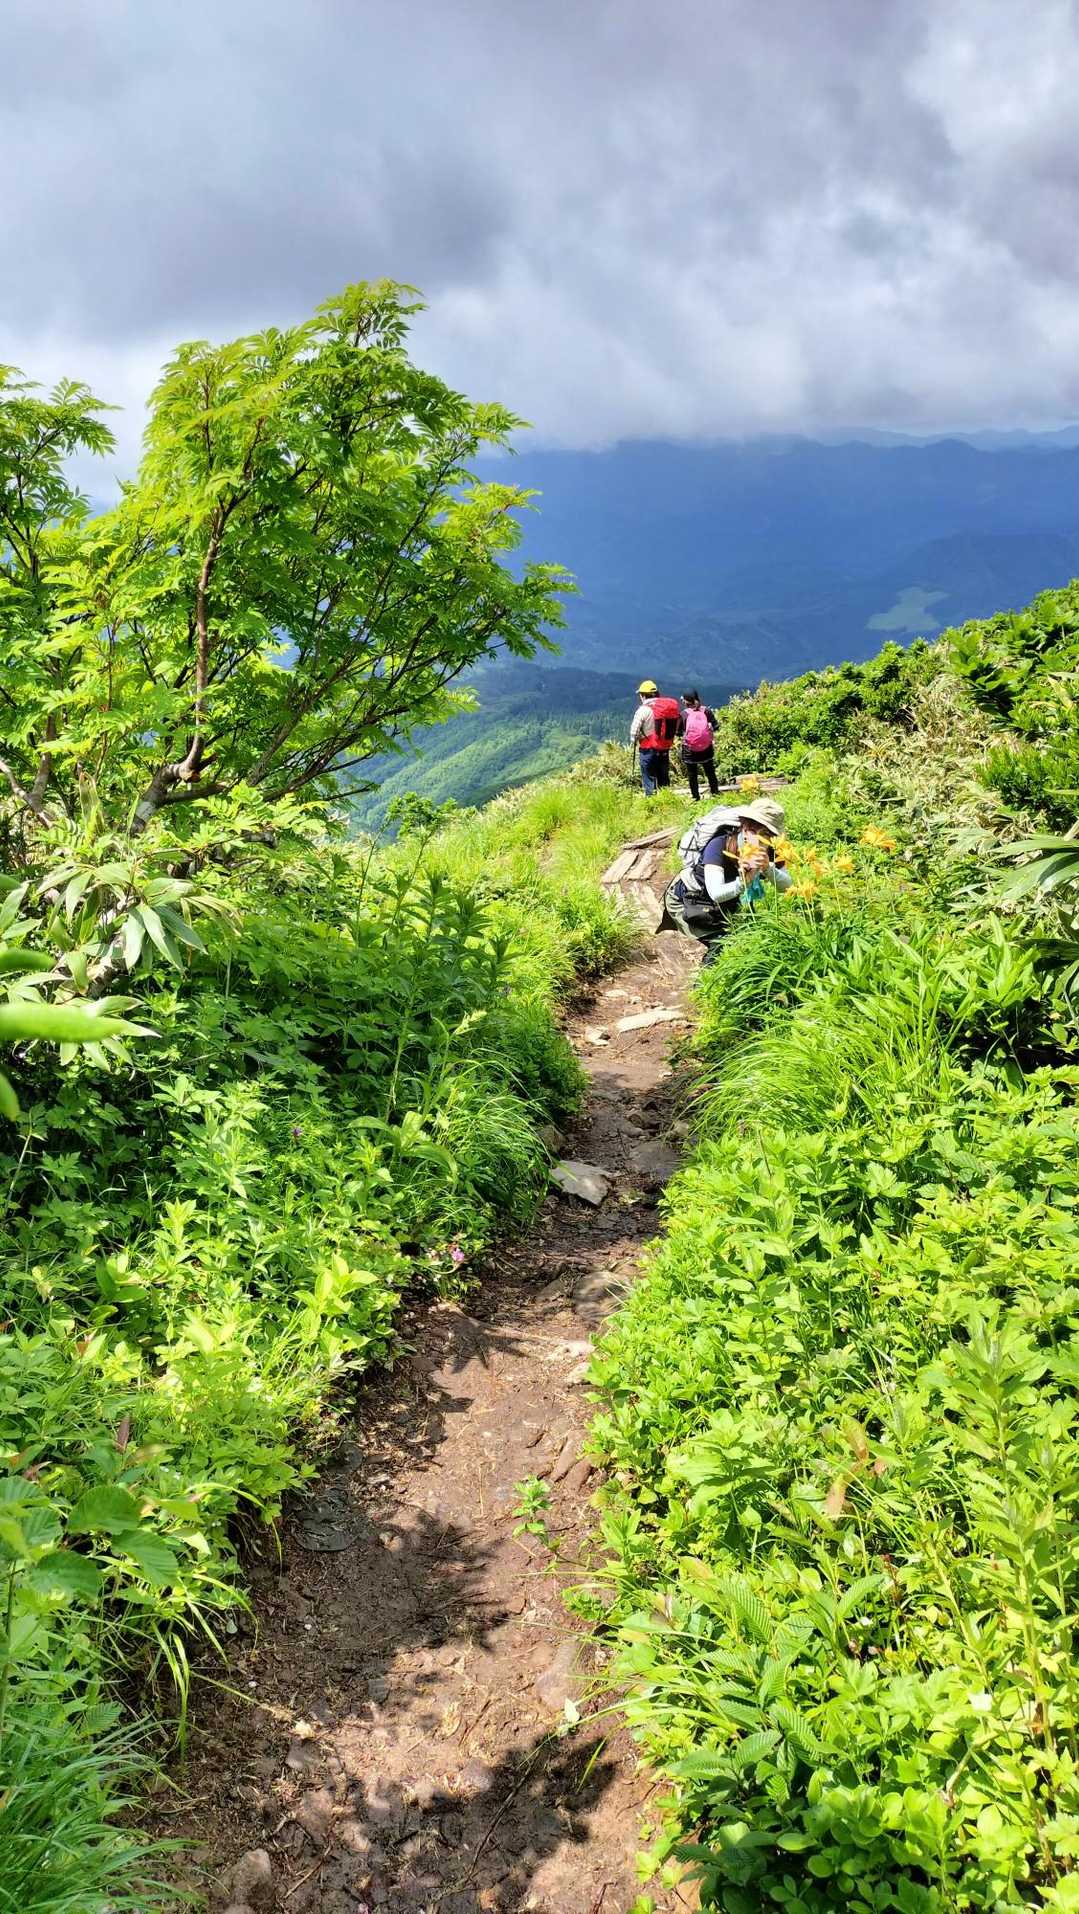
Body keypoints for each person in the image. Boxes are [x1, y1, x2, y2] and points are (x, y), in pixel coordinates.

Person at [661, 795, 792, 961]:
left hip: (724, 903)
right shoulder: (719, 843)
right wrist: (743, 882)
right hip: (689, 899)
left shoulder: (772, 849)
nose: (755, 838)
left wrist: (768, 869)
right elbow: (716, 893)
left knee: (746, 938)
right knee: (722, 945)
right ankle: (706, 977)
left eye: (764, 833)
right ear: (743, 825)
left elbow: (787, 887)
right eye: (751, 828)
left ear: (772, 836)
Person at [629, 680, 681, 796]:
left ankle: (652, 802)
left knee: (649, 779)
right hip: (664, 748)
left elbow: (634, 731)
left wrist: (634, 740)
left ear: (643, 695)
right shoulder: (665, 708)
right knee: (663, 778)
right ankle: (666, 800)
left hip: (648, 750)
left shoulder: (643, 710)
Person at [679, 689, 720, 800]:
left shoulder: (684, 714)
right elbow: (716, 726)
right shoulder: (706, 711)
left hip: (690, 751)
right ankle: (715, 793)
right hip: (707, 749)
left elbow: (678, 733)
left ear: (685, 701)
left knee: (692, 775)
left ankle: (695, 797)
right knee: (710, 772)